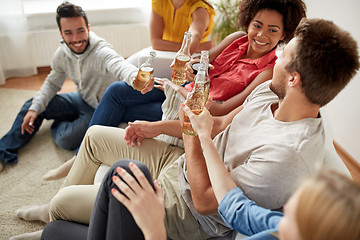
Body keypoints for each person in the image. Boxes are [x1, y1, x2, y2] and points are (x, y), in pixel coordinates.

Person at [15, 17, 359, 240]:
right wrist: (159, 127)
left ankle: (59, 219)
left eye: (285, 54)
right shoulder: (269, 91)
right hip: (179, 166)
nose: (277, 55)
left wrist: (196, 134)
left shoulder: (289, 158)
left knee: (62, 207)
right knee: (92, 138)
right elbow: (220, 122)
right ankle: (63, 220)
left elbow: (207, 201)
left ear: (295, 78)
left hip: (186, 210)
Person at [42, 0, 307, 180]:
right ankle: (79, 157)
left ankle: (83, 155)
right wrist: (191, 65)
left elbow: (220, 110)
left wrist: (186, 89)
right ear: (248, 22)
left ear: (283, 34)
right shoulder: (236, 39)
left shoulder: (268, 71)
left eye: (272, 30)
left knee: (120, 104)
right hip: (177, 91)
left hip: (189, 110)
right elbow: (203, 59)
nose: (261, 35)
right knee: (115, 92)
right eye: (257, 25)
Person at [41, 160, 360, 240]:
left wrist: (154, 229)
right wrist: (202, 137)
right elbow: (238, 208)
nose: (285, 206)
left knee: (126, 172)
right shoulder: (278, 229)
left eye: (294, 211)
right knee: (53, 232)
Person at [0, 2, 138, 171]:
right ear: (61, 33)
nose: (76, 39)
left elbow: (119, 64)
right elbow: (52, 83)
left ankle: (59, 120)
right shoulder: (62, 54)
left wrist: (135, 77)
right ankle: (4, 150)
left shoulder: (101, 51)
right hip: (79, 97)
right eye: (68, 33)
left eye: (81, 30)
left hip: (97, 109)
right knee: (32, 105)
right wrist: (36, 109)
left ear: (88, 27)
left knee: (65, 140)